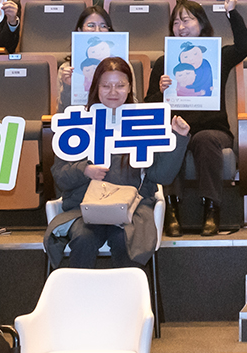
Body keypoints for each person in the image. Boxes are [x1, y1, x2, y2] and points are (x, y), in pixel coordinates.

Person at [45, 56, 185, 270]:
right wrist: (85, 170)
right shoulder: (78, 122)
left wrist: (179, 138)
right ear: (96, 88)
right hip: (84, 209)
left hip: (133, 209)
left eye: (120, 85)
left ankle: (128, 301)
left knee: (125, 239)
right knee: (83, 238)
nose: (113, 92)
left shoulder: (143, 121)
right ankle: (79, 300)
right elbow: (60, 177)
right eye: (106, 86)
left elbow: (162, 177)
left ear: (130, 87)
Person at [149, 0, 247, 235]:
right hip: (175, 127)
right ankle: (171, 209)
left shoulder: (218, 56)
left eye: (186, 20)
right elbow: (148, 106)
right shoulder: (164, 62)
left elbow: (246, 45)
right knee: (172, 137)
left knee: (205, 139)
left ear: (202, 23)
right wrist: (161, 90)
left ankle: (211, 208)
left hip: (213, 129)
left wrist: (231, 13)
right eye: (176, 22)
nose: (180, 26)